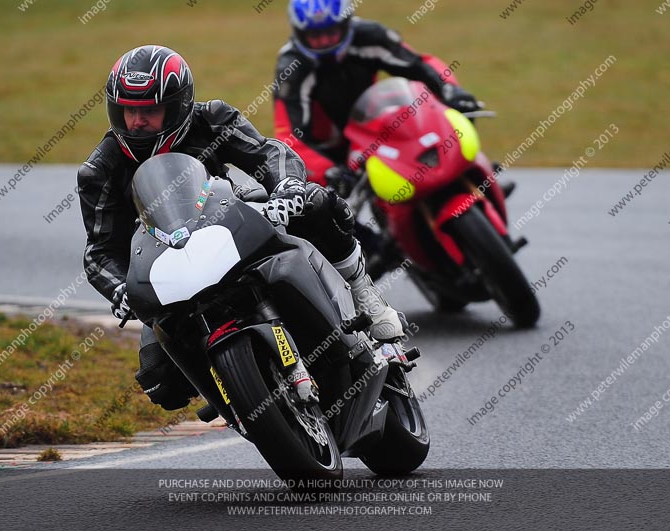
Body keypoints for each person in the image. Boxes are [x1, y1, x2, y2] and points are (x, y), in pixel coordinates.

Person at [77, 45, 405, 411]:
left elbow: (269, 153)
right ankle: (233, 390)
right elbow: (99, 251)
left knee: (315, 204)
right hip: (166, 268)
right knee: (161, 383)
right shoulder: (99, 171)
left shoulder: (212, 118)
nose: (136, 123)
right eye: (128, 111)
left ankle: (365, 296)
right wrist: (120, 287)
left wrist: (288, 187)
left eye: (149, 111)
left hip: (230, 226)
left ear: (179, 105)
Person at [273, 1, 514, 276]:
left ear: (346, 24)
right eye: (315, 36)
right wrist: (326, 170)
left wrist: (450, 90)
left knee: (438, 127)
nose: (325, 42)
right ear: (298, 32)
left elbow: (419, 65)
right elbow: (290, 135)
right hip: (328, 150)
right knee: (319, 207)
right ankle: (364, 255)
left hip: (372, 122)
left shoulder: (370, 36)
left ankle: (475, 177)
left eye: (331, 32)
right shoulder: (291, 67)